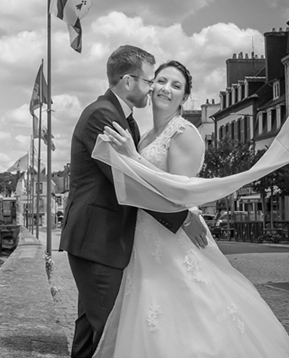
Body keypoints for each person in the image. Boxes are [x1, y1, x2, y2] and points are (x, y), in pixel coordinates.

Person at [92, 60, 289, 357]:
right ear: (151, 86)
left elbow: (177, 193)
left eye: (176, 85)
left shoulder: (183, 133)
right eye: (161, 81)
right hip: (146, 237)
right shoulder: (147, 136)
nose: (166, 89)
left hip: (175, 236)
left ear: (184, 97)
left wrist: (132, 158)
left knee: (193, 314)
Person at [59, 46, 209, 358]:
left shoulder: (125, 120)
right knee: (110, 334)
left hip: (105, 241)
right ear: (128, 81)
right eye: (150, 80)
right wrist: (181, 218)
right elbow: (127, 181)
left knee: (90, 334)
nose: (152, 88)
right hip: (97, 240)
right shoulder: (103, 115)